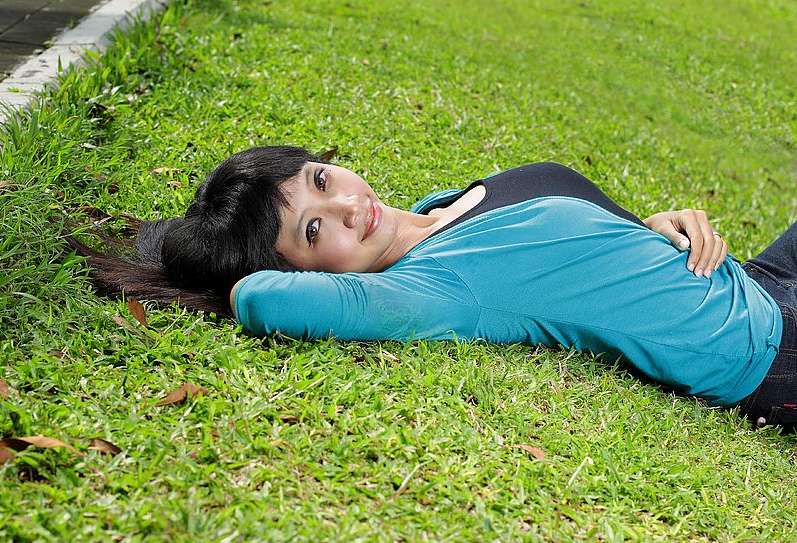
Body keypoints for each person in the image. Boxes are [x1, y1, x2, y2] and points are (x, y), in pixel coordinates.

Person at [65, 146, 797, 432]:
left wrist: (652, 226)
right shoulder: (434, 290)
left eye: (321, 182)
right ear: (309, 271)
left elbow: (579, 263)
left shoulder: (440, 205)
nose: (347, 206)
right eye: (317, 233)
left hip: (757, 277)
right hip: (769, 350)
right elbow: (262, 296)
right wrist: (209, 265)